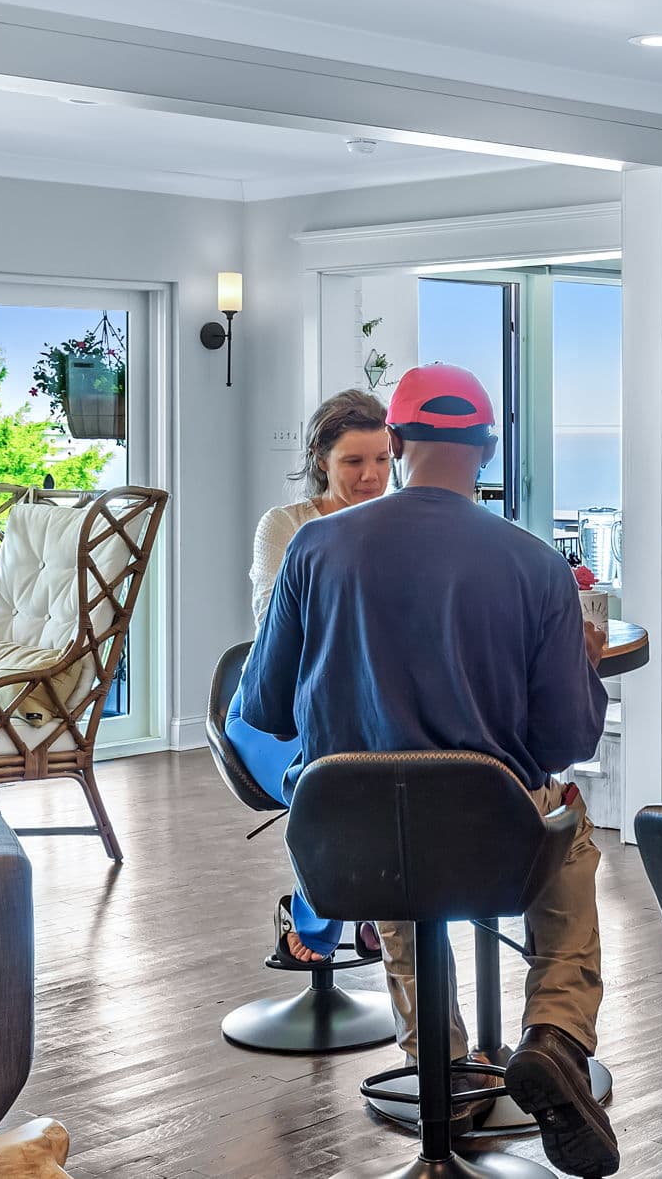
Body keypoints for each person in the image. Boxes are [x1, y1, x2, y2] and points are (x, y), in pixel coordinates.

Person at [237, 362, 619, 1178]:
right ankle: (554, 1036)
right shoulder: (536, 564)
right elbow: (565, 738)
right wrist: (579, 665)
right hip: (495, 845)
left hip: (350, 849)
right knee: (569, 827)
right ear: (486, 448)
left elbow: (264, 709)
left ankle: (441, 1075)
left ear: (399, 442)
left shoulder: (313, 547)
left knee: (402, 870)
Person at [223, 389, 393, 967]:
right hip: (270, 714)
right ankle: (327, 915)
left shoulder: (398, 527)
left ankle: (366, 900)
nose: (372, 477)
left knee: (402, 769)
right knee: (335, 775)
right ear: (322, 460)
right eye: (354, 462)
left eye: (382, 460)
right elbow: (278, 631)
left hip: (359, 711)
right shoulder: (286, 527)